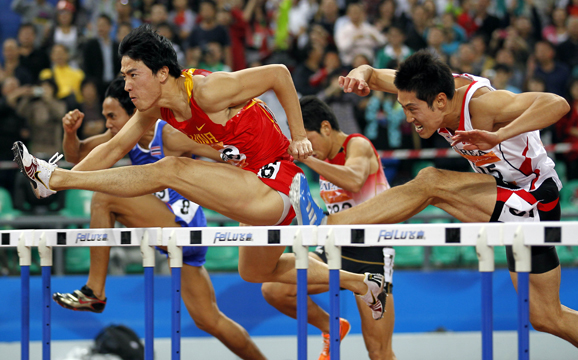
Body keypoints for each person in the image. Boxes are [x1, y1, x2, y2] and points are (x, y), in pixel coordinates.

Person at [12, 24, 386, 320]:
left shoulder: (207, 89)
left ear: (161, 73)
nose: (126, 86)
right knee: (254, 273)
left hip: (278, 182)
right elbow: (112, 148)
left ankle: (55, 179)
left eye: (132, 75)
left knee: (172, 169)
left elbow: (279, 73)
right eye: (123, 77)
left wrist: (300, 136)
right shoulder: (155, 110)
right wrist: (57, 183)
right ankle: (364, 284)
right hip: (253, 188)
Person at [290, 50, 578, 358]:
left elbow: (557, 104)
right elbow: (371, 73)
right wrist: (359, 74)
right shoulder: (425, 88)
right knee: (546, 317)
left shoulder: (483, 105)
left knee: (431, 182)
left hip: (532, 197)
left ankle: (329, 225)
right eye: (403, 107)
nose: (408, 118)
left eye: (412, 109)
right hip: (506, 202)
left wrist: (499, 135)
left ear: (440, 101)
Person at [52, 78, 266, 359]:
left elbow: (223, 151)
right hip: (172, 232)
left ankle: (94, 290)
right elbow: (77, 157)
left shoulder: (170, 134)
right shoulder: (122, 139)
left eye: (112, 116)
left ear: (134, 112)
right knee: (209, 319)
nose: (108, 125)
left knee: (104, 198)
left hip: (183, 227)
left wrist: (257, 181)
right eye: (105, 118)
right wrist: (70, 133)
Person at [262, 96, 397, 360]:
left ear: (326, 127)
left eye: (307, 139)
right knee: (274, 289)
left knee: (379, 352)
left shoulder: (357, 145)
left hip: (370, 253)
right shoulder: (324, 161)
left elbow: (355, 180)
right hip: (333, 248)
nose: (304, 147)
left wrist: (307, 158)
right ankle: (331, 326)